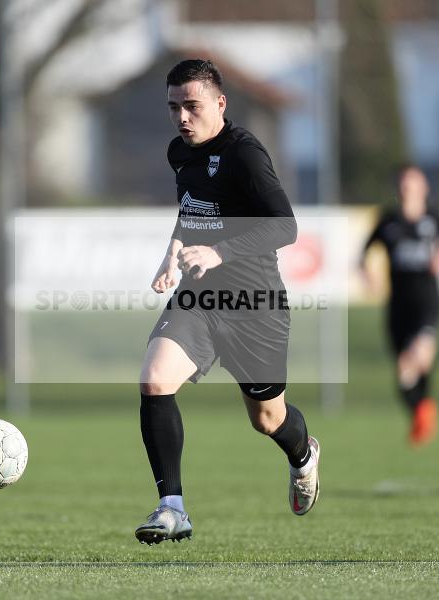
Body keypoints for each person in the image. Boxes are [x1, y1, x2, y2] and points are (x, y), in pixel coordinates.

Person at [134, 59, 320, 545]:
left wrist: (219, 251)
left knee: (267, 419)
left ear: (220, 103)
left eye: (191, 106)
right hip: (199, 295)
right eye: (174, 107)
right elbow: (191, 209)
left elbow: (286, 226)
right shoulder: (181, 152)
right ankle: (171, 507)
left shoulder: (245, 154)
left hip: (255, 304)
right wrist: (171, 256)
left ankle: (302, 455)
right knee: (154, 380)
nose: (182, 118)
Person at [359, 165, 439, 447]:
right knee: (404, 374)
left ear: (424, 188)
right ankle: (422, 412)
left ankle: (424, 413)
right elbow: (365, 253)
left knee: (418, 356)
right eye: (403, 184)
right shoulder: (388, 220)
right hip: (398, 306)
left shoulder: (433, 217)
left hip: (427, 302)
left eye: (413, 184)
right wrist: (370, 276)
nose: (408, 189)